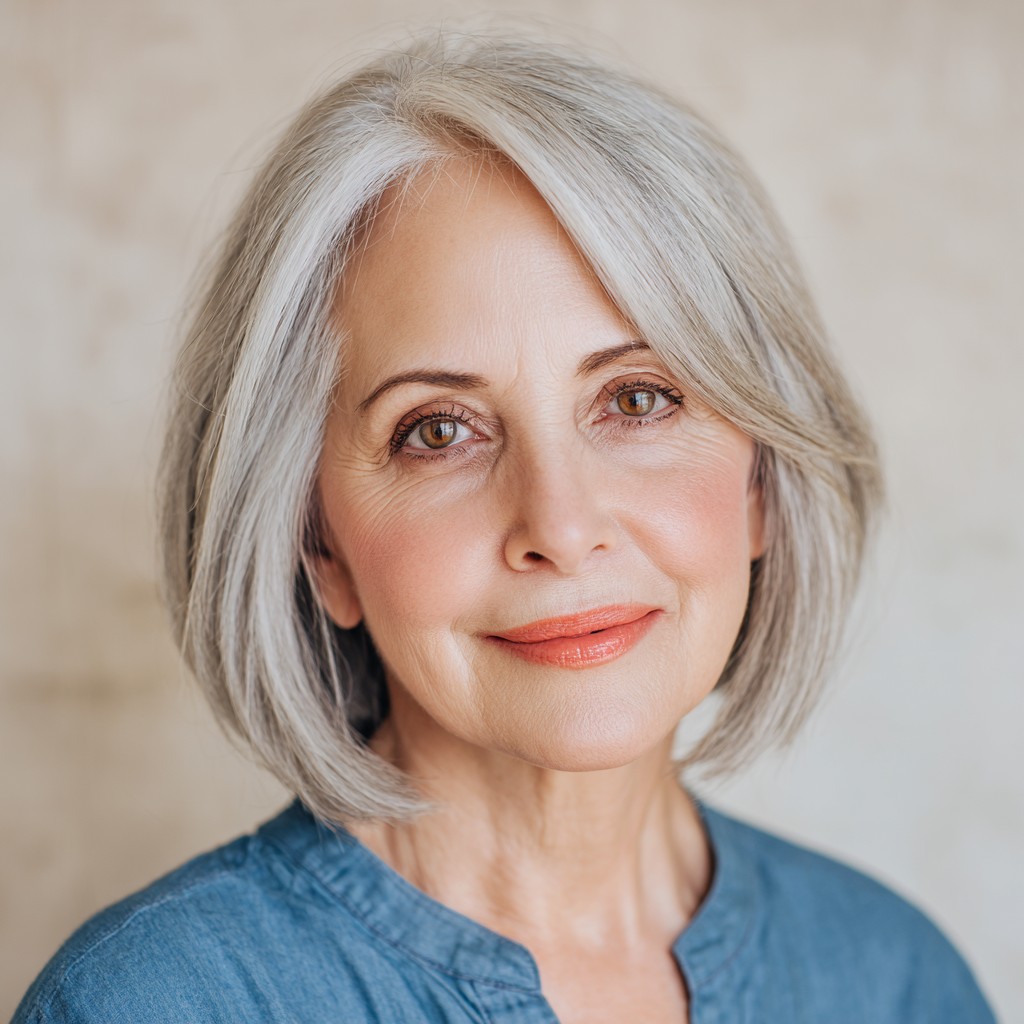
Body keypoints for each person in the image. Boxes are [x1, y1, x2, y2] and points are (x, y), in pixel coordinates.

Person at [13, 24, 995, 1024]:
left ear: (761, 482)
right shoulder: (150, 1005)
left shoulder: (895, 982)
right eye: (437, 430)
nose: (560, 528)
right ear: (317, 543)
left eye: (639, 399)